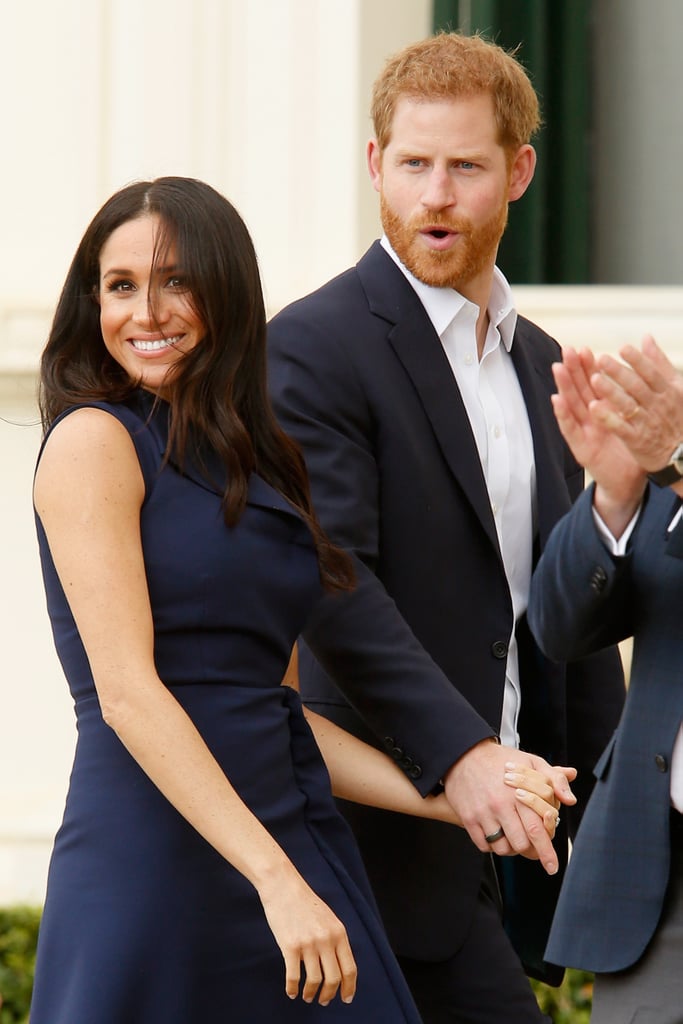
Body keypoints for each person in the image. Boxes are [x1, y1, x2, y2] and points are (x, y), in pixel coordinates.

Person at [29, 175, 569, 1024]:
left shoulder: (256, 462)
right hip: (158, 859)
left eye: (177, 281)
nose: (147, 312)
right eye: (120, 286)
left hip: (288, 840)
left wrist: (461, 794)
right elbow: (130, 696)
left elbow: (282, 711)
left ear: (227, 292)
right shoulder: (92, 441)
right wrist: (274, 880)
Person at [267, 31, 626, 1024]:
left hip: (513, 846)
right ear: (375, 164)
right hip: (366, 849)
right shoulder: (311, 347)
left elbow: (565, 612)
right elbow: (331, 582)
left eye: (464, 166)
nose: (435, 193)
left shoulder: (541, 363)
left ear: (517, 172)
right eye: (413, 163)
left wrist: (617, 826)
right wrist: (464, 756)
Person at [528, 335, 683, 1024]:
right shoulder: (666, 445)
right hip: (661, 884)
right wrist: (615, 495)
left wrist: (676, 468)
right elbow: (559, 631)